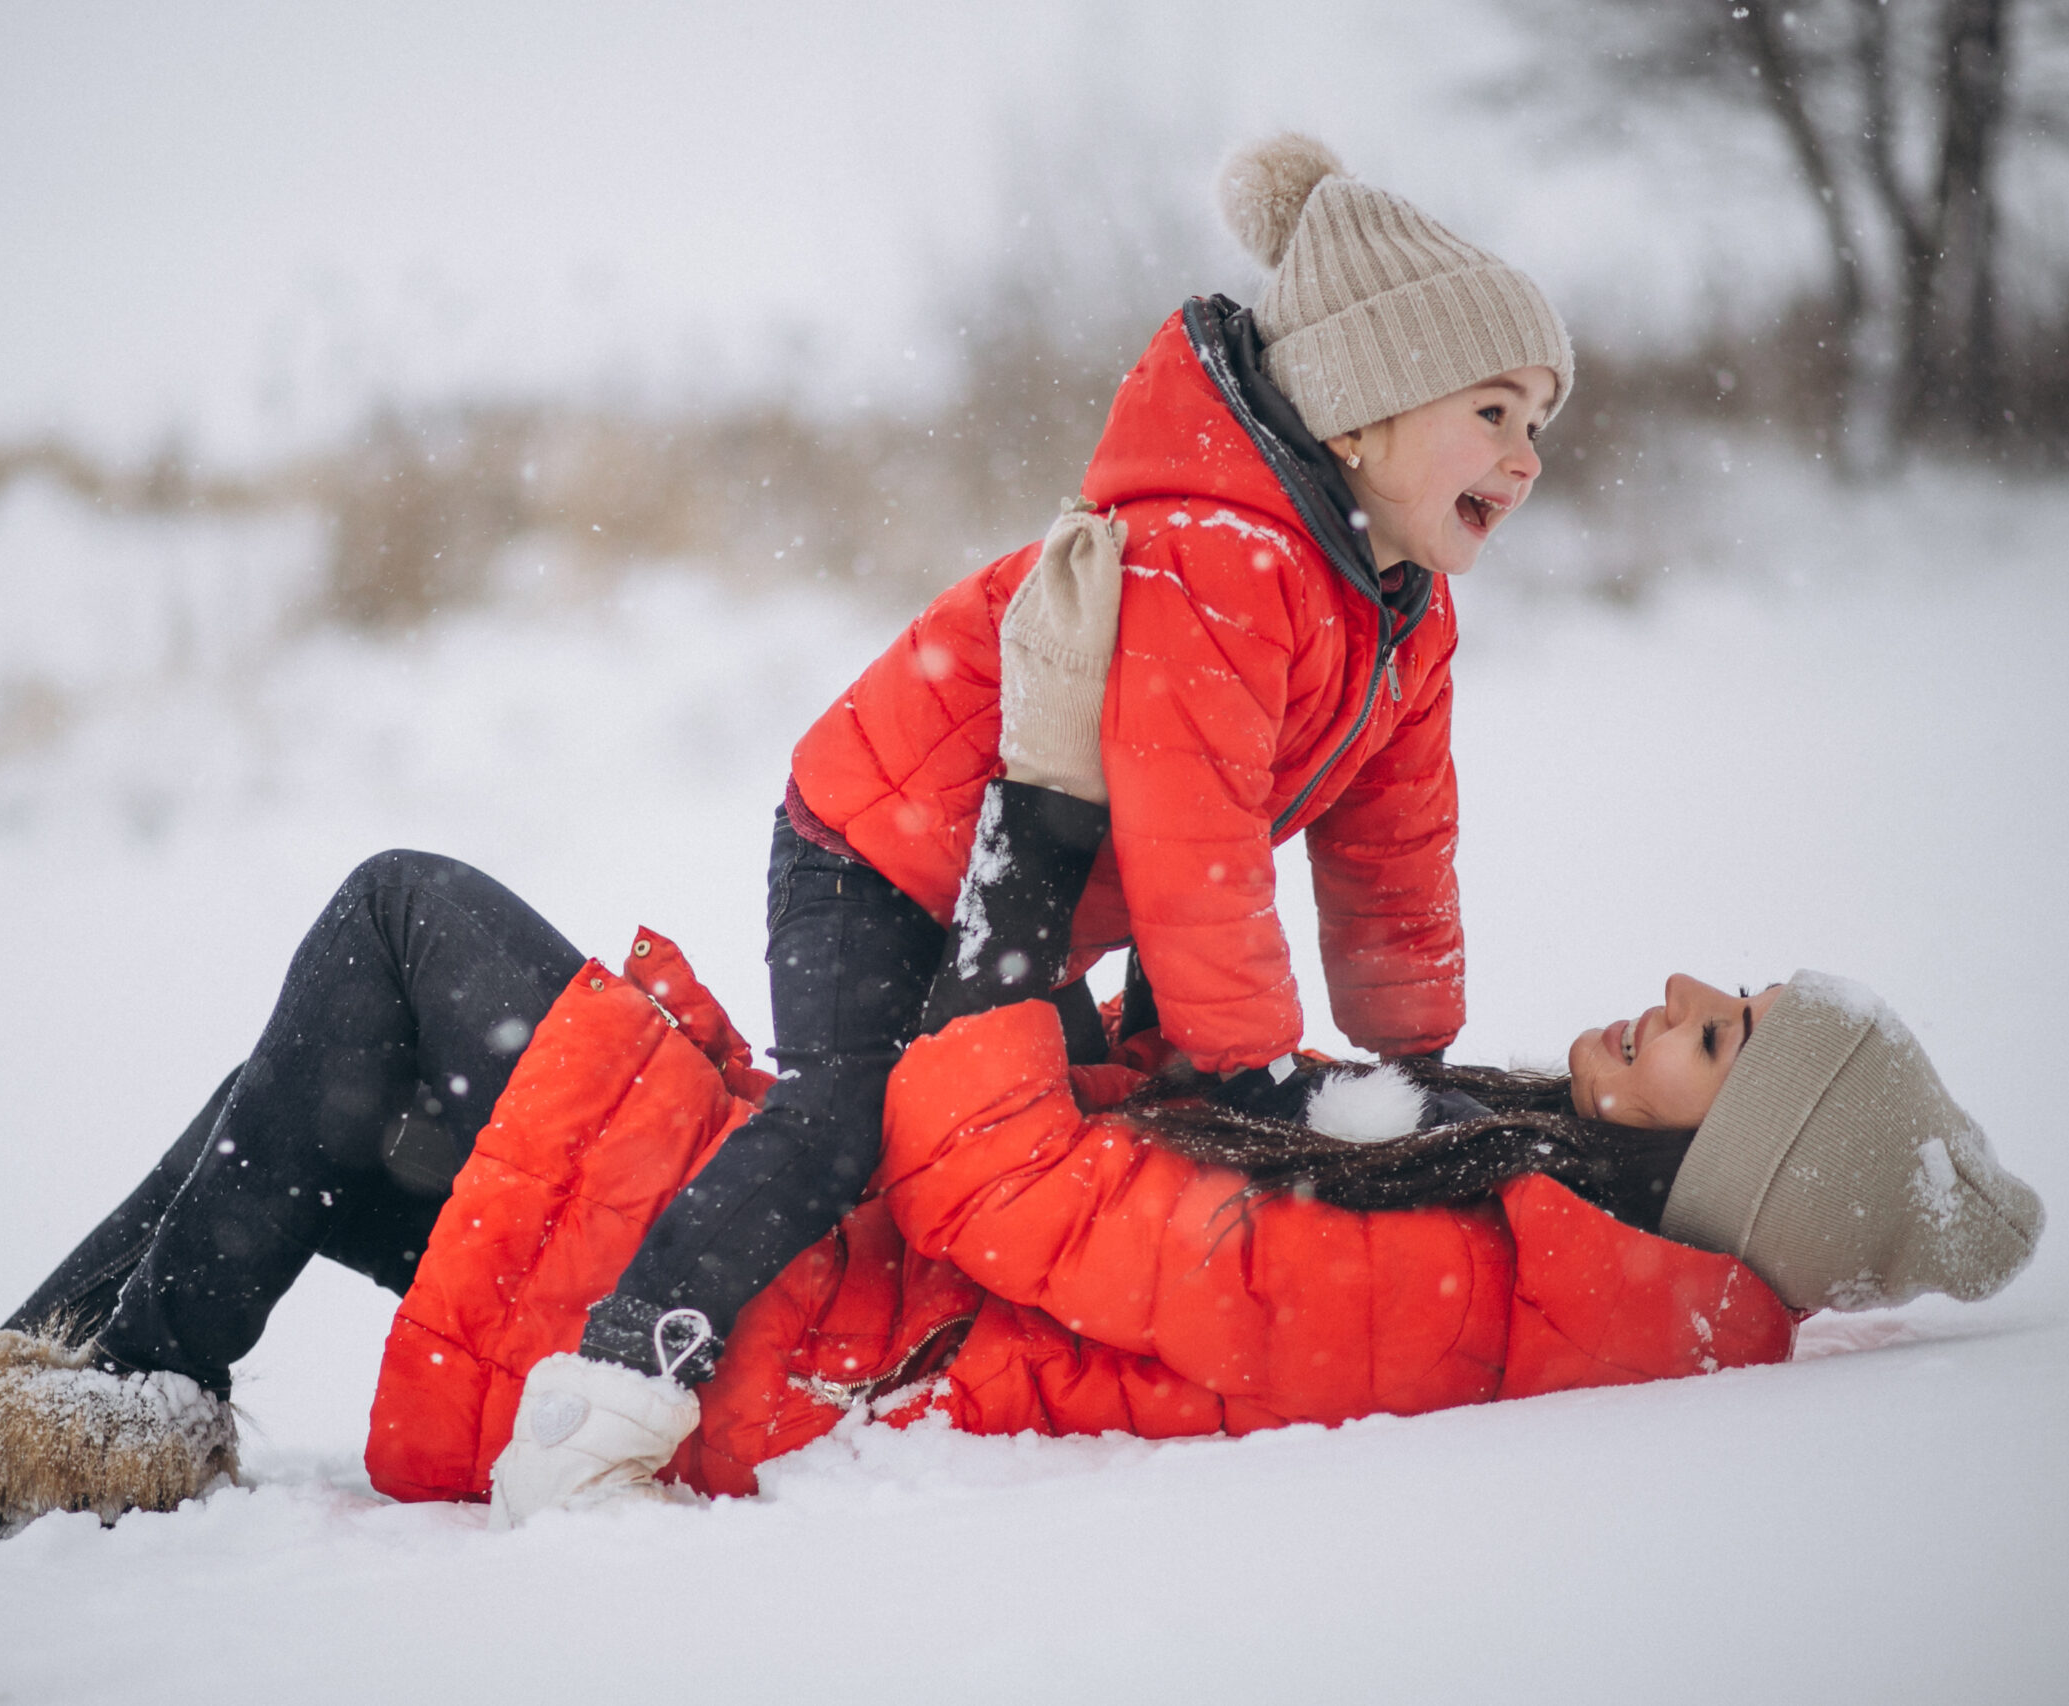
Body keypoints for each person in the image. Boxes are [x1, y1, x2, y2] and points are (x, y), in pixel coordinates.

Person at [0, 771, 2046, 1600]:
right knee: (342, 1065)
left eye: (1714, 1039)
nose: (1666, 999)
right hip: (824, 1265)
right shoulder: (1502, 1201)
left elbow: (1026, 1216)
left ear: (1725, 1155)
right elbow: (1098, 1165)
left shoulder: (1472, 1283)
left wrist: (991, 922)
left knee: (391, 938)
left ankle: (3, 1438)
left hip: (808, 1329)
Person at [557, 128, 1578, 1486]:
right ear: (1363, 409)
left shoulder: (1401, 607)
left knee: (1029, 1141)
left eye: (1540, 424)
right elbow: (1194, 836)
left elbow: (1394, 846)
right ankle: (620, 1379)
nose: (1525, 458)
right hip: (875, 846)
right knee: (853, 1125)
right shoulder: (1220, 554)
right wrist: (1255, 1070)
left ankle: (841, 1362)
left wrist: (1411, 1065)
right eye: (1493, 413)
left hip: (1030, 880)